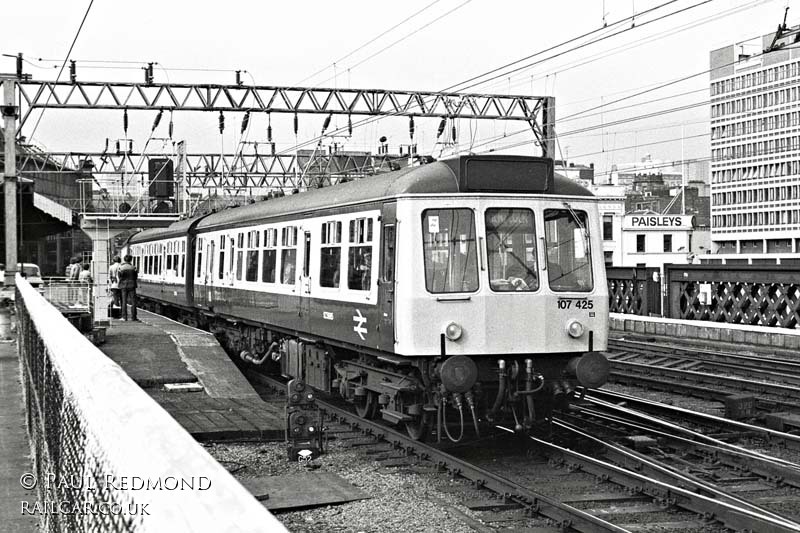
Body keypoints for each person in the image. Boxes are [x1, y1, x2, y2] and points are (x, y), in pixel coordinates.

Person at [117, 254, 138, 321]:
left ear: (124, 259)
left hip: (123, 285)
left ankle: (124, 317)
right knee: (133, 301)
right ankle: (134, 317)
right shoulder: (134, 268)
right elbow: (135, 277)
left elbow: (119, 276)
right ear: (131, 260)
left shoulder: (121, 268)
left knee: (124, 301)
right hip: (132, 285)